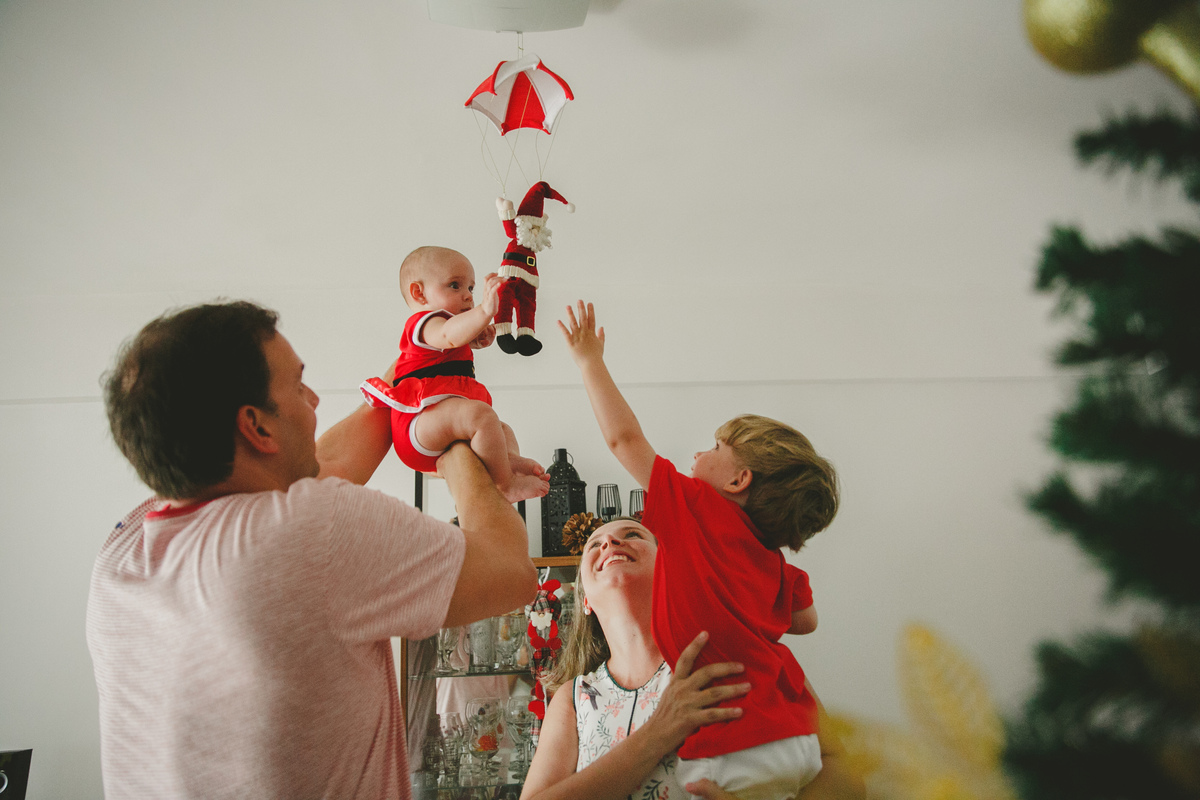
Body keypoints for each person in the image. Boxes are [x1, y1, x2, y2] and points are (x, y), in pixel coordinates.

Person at [87, 300, 538, 799]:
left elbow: (330, 459)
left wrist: (418, 365)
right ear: (256, 426)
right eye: (298, 385)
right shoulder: (308, 531)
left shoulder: (122, 550)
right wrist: (458, 448)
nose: (316, 398)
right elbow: (509, 571)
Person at [558, 302, 840, 800]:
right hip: (793, 735)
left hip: (737, 744)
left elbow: (624, 438)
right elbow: (805, 620)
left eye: (713, 446)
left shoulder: (698, 513)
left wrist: (589, 360)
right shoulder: (772, 560)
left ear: (738, 480)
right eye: (596, 545)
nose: (696, 455)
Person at [520, 519, 863, 800]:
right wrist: (657, 734)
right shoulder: (573, 699)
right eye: (595, 544)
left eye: (632, 534)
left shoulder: (735, 652)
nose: (609, 543)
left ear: (671, 569)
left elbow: (845, 773)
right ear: (585, 602)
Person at [360, 245, 549, 501]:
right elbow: (449, 335)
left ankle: (508, 461)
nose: (468, 296)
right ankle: (504, 485)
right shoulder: (425, 323)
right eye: (455, 286)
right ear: (419, 293)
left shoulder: (447, 329)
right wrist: (483, 312)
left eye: (471, 288)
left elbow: (455, 339)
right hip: (417, 425)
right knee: (483, 417)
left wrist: (477, 338)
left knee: (502, 429)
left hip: (442, 421)